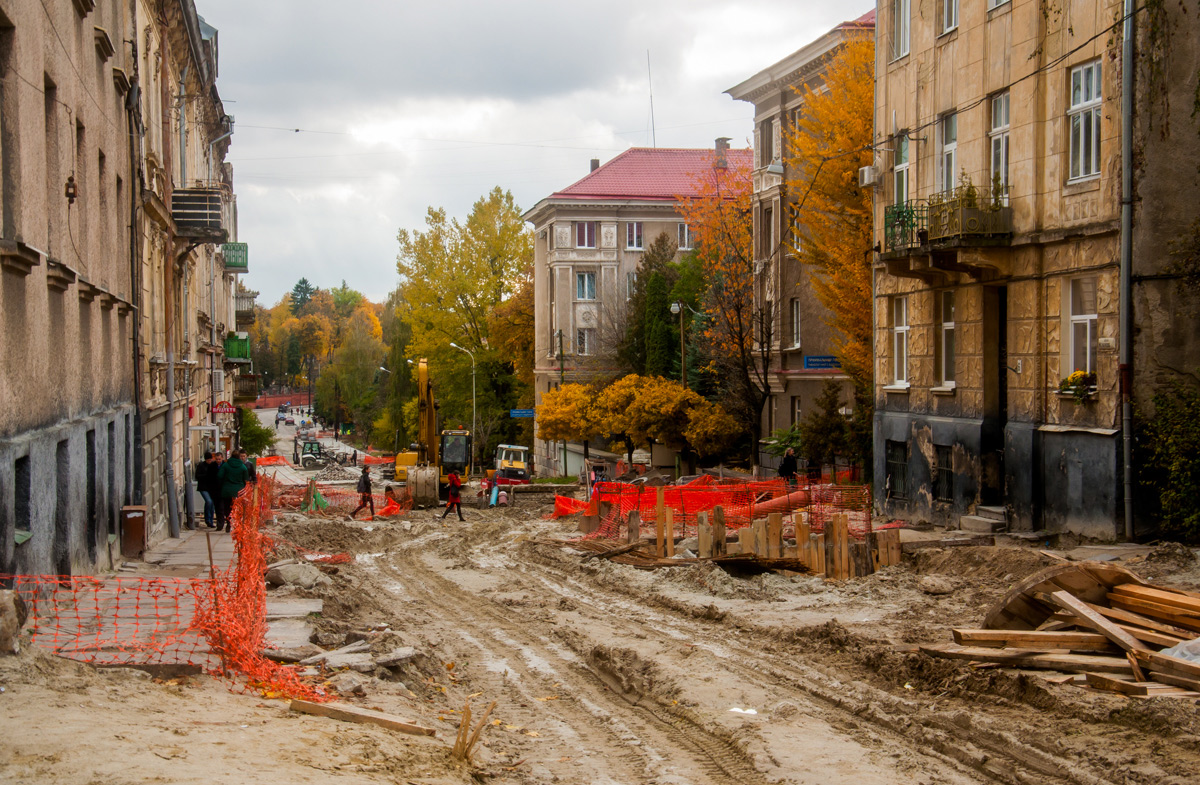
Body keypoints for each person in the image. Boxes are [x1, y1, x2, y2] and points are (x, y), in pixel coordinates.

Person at [216, 450, 250, 532]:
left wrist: (224, 482)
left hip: (227, 490)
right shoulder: (243, 467)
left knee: (227, 507)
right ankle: (237, 525)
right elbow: (246, 479)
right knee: (238, 508)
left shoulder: (226, 465)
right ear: (239, 457)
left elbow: (219, 476)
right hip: (239, 491)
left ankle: (228, 522)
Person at [195, 451, 218, 529]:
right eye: (208, 460)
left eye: (210, 460)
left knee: (211, 504)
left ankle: (210, 520)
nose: (209, 461)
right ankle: (207, 519)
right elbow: (197, 476)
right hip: (203, 487)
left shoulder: (213, 465)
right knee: (209, 501)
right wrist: (206, 476)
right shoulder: (201, 465)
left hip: (211, 488)